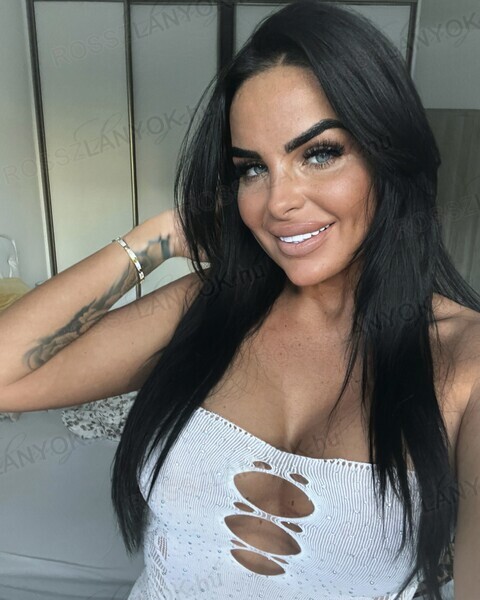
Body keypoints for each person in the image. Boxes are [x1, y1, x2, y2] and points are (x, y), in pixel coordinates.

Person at [1, 0, 479, 598]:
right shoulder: (209, 305)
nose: (278, 202)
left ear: (391, 155)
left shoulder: (465, 363)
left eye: (319, 153)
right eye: (252, 169)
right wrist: (163, 236)